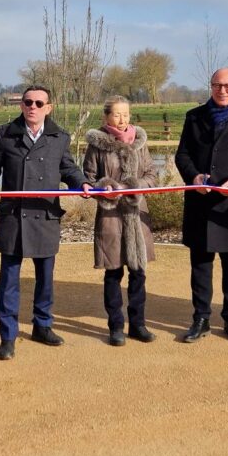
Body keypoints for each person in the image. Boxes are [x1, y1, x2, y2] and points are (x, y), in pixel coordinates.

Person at [0, 85, 91, 361]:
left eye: (39, 103)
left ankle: (42, 326)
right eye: (28, 102)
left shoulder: (59, 136)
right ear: (22, 105)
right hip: (14, 217)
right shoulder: (6, 133)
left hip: (45, 216)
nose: (33, 107)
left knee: (45, 280)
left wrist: (83, 183)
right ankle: (7, 336)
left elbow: (68, 168)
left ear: (48, 107)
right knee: (9, 281)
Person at [175, 67, 228, 343]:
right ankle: (201, 318)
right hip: (199, 201)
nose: (222, 90)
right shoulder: (194, 116)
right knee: (200, 264)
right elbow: (183, 155)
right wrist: (193, 176)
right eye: (217, 85)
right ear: (210, 87)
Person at [82, 96, 159, 346]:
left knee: (138, 272)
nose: (122, 119)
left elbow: (151, 174)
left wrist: (135, 186)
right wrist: (105, 188)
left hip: (137, 216)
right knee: (113, 272)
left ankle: (138, 324)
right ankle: (115, 326)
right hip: (110, 216)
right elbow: (89, 177)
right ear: (106, 117)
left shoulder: (140, 143)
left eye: (126, 114)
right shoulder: (97, 145)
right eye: (117, 115)